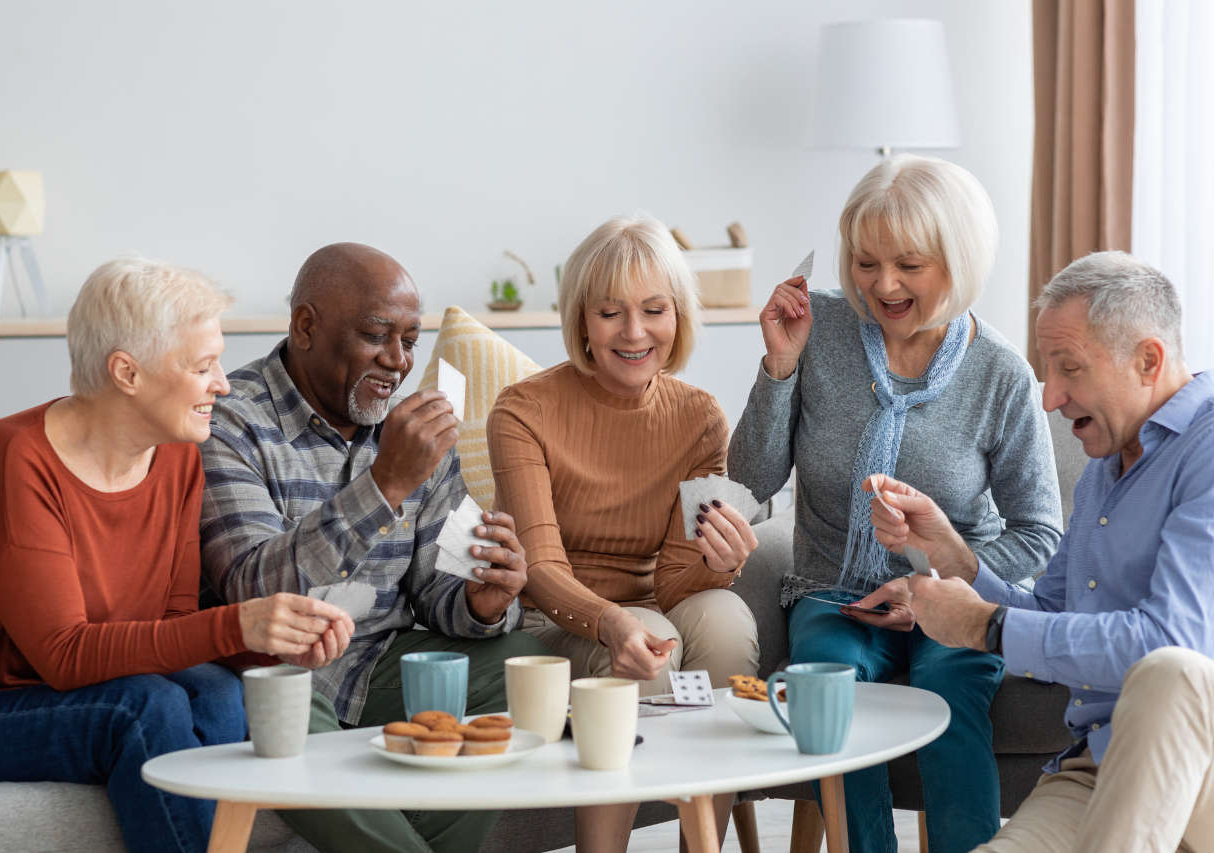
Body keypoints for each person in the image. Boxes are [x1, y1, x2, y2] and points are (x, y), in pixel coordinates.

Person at [0, 257, 353, 853]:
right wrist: (237, 620)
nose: (224, 384)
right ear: (127, 372)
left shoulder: (176, 455)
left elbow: (173, 629)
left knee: (217, 691)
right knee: (142, 707)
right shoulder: (12, 461)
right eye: (203, 366)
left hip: (72, 689)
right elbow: (64, 655)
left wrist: (270, 642)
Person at [727, 155, 1063, 853]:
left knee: (951, 700)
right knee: (830, 696)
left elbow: (1039, 534)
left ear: (958, 258)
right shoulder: (816, 327)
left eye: (909, 264)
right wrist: (780, 366)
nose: (882, 285)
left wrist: (933, 583)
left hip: (953, 596)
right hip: (832, 592)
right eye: (866, 262)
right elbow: (752, 477)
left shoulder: (1000, 372)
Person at [199, 242, 548, 853]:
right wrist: (385, 484)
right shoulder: (230, 421)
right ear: (306, 326)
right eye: (376, 335)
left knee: (521, 664)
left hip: (381, 661)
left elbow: (436, 589)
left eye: (411, 341)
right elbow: (254, 588)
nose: (397, 361)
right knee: (271, 705)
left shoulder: (413, 427)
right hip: (280, 669)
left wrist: (482, 598)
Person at [867, 251, 1214, 852]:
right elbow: (1052, 616)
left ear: (1148, 360)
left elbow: (1169, 643)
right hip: (1096, 767)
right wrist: (952, 555)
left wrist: (988, 627)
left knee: (1169, 672)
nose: (1050, 398)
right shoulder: (1106, 468)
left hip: (1200, 766)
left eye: (1069, 369)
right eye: (1046, 371)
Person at [487, 213, 760, 851]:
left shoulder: (699, 416)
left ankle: (703, 845)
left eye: (654, 310)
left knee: (725, 616)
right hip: (557, 621)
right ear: (582, 320)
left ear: (678, 316)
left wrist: (720, 563)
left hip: (653, 607)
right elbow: (541, 569)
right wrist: (615, 622)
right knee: (655, 640)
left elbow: (675, 577)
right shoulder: (523, 411)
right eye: (610, 312)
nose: (635, 333)